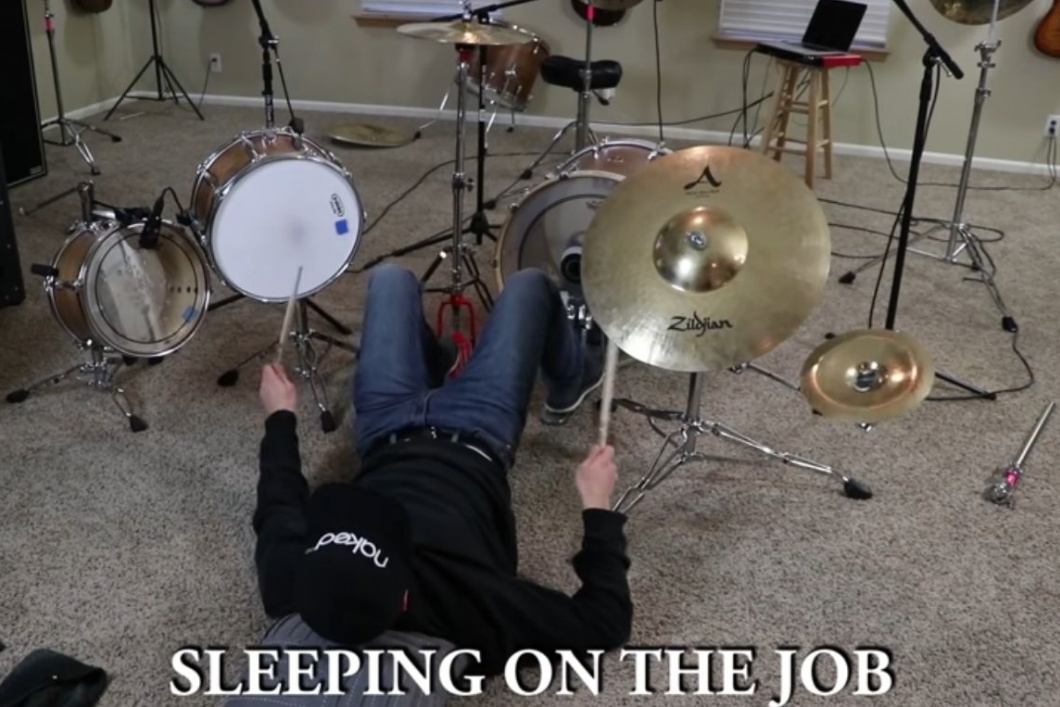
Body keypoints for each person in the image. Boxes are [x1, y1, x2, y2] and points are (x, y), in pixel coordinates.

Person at [252, 264, 633, 682]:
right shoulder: (473, 612)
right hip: (479, 431)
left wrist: (279, 416)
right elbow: (605, 623)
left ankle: (432, 364)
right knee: (530, 285)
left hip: (384, 429)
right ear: (404, 595)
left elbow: (278, 502)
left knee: (391, 278)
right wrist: (598, 508)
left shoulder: (293, 587)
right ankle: (575, 376)